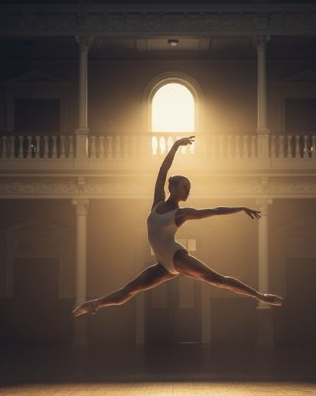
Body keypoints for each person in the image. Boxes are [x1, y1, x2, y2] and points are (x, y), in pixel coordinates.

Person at [73, 135, 283, 317]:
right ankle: (96, 304)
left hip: (176, 257)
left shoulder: (181, 214)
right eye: (184, 187)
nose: (187, 191)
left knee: (217, 279)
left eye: (189, 188)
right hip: (163, 265)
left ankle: (259, 295)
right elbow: (162, 171)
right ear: (171, 188)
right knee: (128, 291)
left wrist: (240, 208)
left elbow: (215, 210)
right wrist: (175, 146)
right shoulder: (157, 202)